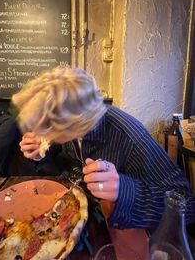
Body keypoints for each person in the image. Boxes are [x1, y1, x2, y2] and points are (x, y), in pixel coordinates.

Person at [12, 67, 195, 231]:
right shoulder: (70, 126)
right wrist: (40, 154)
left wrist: (123, 190)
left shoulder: (129, 135)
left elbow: (187, 205)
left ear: (77, 123)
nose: (43, 133)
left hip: (125, 232)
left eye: (49, 128)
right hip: (76, 214)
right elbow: (63, 158)